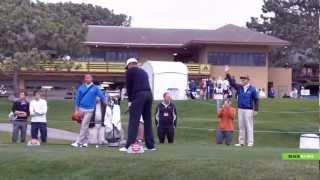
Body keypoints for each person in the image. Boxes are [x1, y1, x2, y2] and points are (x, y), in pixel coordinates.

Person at [119, 58, 155, 152]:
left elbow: (129, 87)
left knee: (134, 121)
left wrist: (130, 101)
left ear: (129, 65)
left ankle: (128, 145)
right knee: (147, 121)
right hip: (149, 95)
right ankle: (150, 146)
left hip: (138, 95)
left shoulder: (129, 72)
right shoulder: (143, 71)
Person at [225, 65, 259, 147]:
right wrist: (227, 73)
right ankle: (241, 142)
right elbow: (232, 83)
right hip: (240, 109)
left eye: (244, 79)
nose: (242, 80)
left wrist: (256, 110)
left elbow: (256, 99)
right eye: (242, 79)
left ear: (248, 80)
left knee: (249, 126)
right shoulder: (239, 87)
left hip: (249, 109)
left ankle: (250, 142)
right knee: (241, 126)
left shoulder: (252, 89)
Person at [71, 74, 107, 148]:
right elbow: (77, 99)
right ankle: (85, 142)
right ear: (84, 79)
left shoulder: (95, 88)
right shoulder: (81, 87)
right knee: (84, 126)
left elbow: (101, 95)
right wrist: (76, 110)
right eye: (86, 78)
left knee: (84, 124)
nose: (87, 79)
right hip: (81, 108)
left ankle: (79, 142)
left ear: (92, 79)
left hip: (90, 109)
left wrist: (105, 101)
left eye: (89, 78)